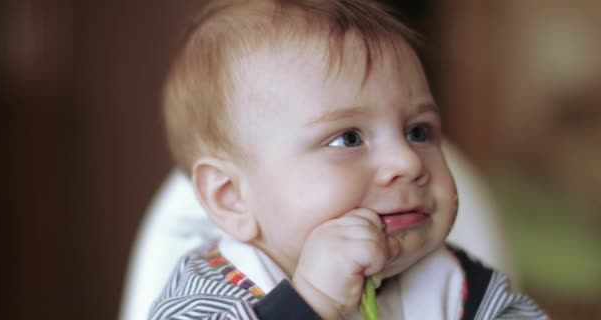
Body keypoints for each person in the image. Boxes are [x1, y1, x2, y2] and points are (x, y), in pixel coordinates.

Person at [149, 0, 547, 319]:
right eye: (347, 138)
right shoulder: (205, 299)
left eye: (418, 132)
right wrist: (312, 303)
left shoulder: (461, 289)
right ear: (231, 197)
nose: (407, 161)